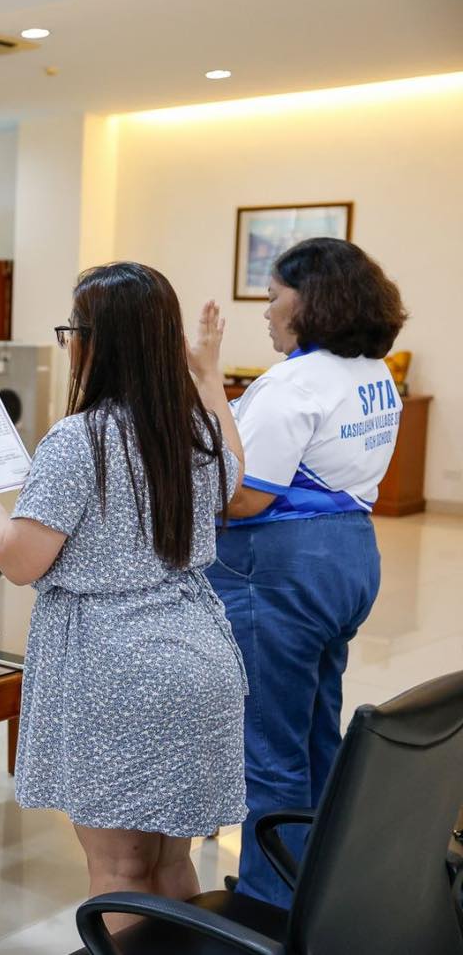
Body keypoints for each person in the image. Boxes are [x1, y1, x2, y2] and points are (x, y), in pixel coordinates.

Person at [0, 262, 245, 931]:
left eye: (72, 331)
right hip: (199, 659)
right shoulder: (193, 429)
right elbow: (235, 473)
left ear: (97, 343)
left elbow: (18, 559)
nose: (68, 344)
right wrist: (207, 376)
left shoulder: (79, 440)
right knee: (170, 861)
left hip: (118, 671)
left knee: (118, 871)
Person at [207, 237, 407, 907]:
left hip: (282, 569)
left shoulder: (291, 384)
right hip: (348, 559)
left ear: (309, 301)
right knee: (318, 727)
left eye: (273, 298)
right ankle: (320, 877)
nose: (266, 312)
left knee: (270, 747)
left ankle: (271, 904)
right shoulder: (372, 371)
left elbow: (243, 497)